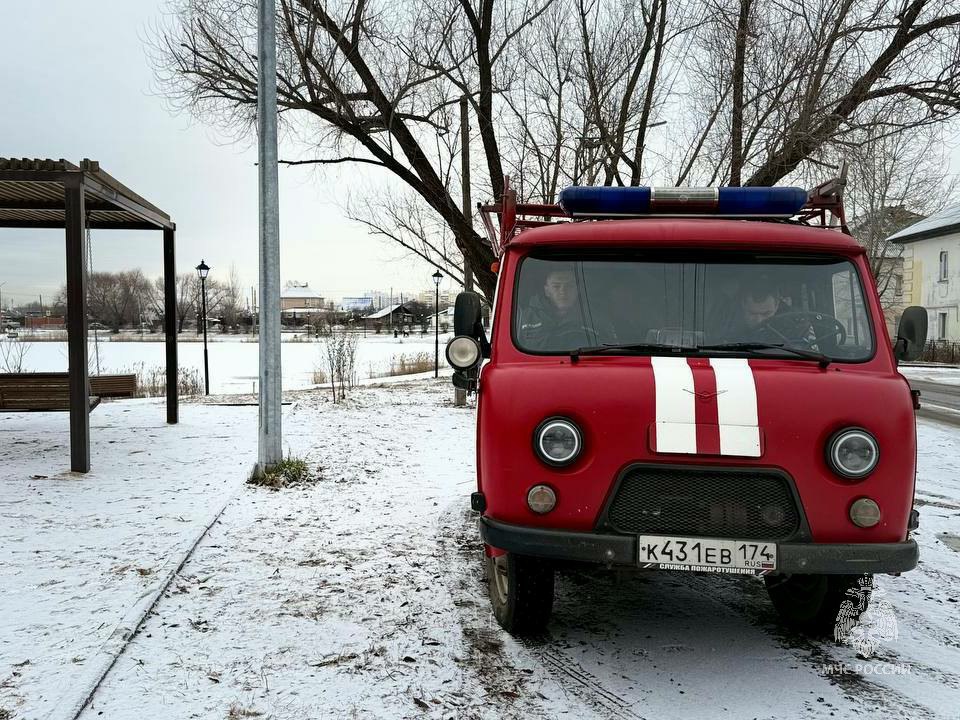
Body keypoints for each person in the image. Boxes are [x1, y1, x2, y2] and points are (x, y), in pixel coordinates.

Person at [518, 266, 612, 350]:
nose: (563, 291)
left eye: (569, 286)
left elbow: (610, 352)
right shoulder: (524, 317)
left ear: (577, 289)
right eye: (556, 286)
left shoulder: (594, 318)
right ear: (547, 291)